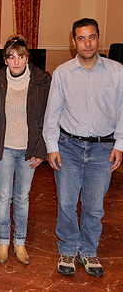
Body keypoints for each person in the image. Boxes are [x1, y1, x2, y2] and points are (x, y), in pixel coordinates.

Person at [43, 18, 123, 277]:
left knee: (94, 206)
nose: (87, 43)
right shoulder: (63, 73)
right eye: (81, 38)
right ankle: (67, 247)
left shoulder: (117, 71)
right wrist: (52, 146)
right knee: (66, 203)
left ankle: (89, 251)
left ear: (98, 39)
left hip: (103, 150)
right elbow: (52, 113)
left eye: (92, 37)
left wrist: (120, 144)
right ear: (73, 41)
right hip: (69, 147)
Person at [0, 35, 51, 265]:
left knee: (23, 197)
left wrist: (41, 149)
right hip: (3, 148)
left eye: (21, 56)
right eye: (11, 56)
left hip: (29, 149)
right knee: (3, 196)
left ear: (28, 58)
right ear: (5, 59)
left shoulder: (42, 80)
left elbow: (48, 116)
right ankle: (3, 240)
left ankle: (20, 241)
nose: (16, 61)